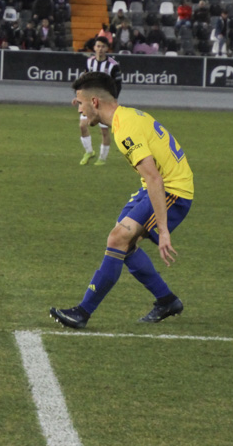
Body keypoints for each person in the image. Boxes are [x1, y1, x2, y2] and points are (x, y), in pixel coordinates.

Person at [50, 71, 194, 329]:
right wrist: (80, 96)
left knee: (118, 239)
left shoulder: (125, 129)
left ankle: (82, 312)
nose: (80, 110)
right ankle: (166, 299)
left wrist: (163, 232)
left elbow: (155, 180)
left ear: (95, 102)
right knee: (122, 246)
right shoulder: (126, 116)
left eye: (81, 103)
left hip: (173, 191)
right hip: (155, 186)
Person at [78, 37, 120, 166]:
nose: (100, 49)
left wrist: (113, 100)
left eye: (103, 46)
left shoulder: (113, 65)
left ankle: (102, 158)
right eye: (98, 46)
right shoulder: (89, 62)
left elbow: (118, 84)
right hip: (90, 100)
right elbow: (84, 79)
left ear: (107, 48)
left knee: (104, 131)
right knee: (83, 125)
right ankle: (89, 151)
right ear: (94, 48)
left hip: (105, 102)